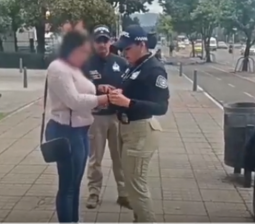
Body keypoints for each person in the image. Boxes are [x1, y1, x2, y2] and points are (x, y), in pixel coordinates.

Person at [44, 23, 109, 223]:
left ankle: (74, 219)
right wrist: (100, 100)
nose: (86, 56)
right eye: (83, 51)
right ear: (72, 49)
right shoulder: (59, 68)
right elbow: (72, 100)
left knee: (75, 183)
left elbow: (83, 94)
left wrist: (99, 92)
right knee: (68, 186)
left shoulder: (74, 68)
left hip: (80, 130)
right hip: (66, 131)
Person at [109, 24, 169, 222]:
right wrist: (119, 93)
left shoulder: (154, 69)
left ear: (141, 44)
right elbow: (131, 88)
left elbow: (161, 107)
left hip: (141, 130)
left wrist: (129, 103)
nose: (124, 52)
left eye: (127, 48)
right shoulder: (135, 65)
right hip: (126, 128)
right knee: (131, 182)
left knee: (136, 186)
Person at [83, 25, 131, 209]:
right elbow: (79, 88)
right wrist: (98, 88)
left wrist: (120, 91)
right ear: (93, 43)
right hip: (96, 118)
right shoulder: (86, 64)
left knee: (120, 158)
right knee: (95, 158)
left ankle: (123, 193)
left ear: (111, 41)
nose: (102, 44)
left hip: (117, 116)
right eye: (98, 41)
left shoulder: (121, 62)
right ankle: (94, 192)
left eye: (105, 40)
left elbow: (130, 87)